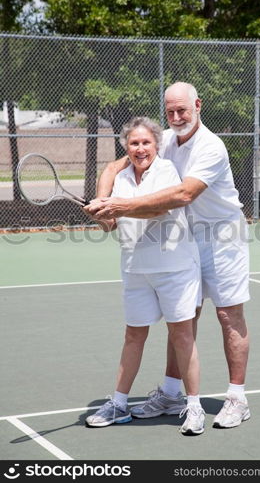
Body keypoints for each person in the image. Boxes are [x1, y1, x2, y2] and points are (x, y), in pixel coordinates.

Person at [87, 82, 251, 429]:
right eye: (170, 111)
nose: (176, 117)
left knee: (227, 314)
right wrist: (103, 202)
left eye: (182, 110)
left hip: (223, 236)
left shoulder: (211, 146)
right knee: (184, 319)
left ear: (198, 105)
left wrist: (118, 205)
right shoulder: (167, 142)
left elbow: (183, 194)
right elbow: (114, 168)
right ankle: (172, 393)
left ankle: (237, 398)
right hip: (187, 237)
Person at [85, 116, 205, 435]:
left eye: (146, 142)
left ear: (156, 145)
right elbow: (110, 225)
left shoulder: (166, 170)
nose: (140, 149)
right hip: (135, 270)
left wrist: (116, 206)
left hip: (174, 268)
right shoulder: (122, 177)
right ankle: (119, 404)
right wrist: (99, 214)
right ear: (127, 147)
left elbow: (158, 209)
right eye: (134, 143)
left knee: (182, 336)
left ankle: (193, 407)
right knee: (133, 336)